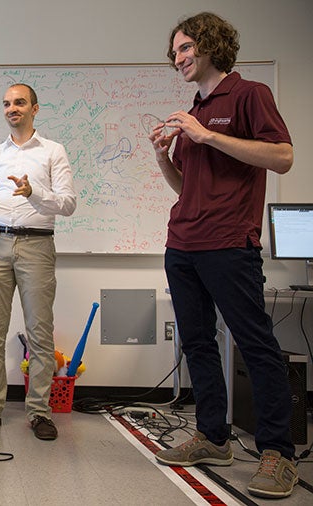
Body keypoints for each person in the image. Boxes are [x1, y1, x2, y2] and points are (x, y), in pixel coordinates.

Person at [148, 13, 297, 498]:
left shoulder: (249, 93)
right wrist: (163, 157)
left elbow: (282, 157)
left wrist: (207, 135)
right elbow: (185, 186)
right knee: (197, 344)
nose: (179, 58)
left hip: (230, 244)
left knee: (255, 346)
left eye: (186, 47)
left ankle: (278, 454)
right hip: (183, 244)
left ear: (212, 44)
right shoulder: (195, 106)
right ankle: (213, 437)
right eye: (174, 52)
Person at [0, 83, 76, 440]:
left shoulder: (52, 151)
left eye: (19, 102)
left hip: (37, 245)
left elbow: (68, 203)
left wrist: (35, 192)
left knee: (40, 334)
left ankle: (39, 412)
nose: (11, 108)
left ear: (35, 108)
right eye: (6, 104)